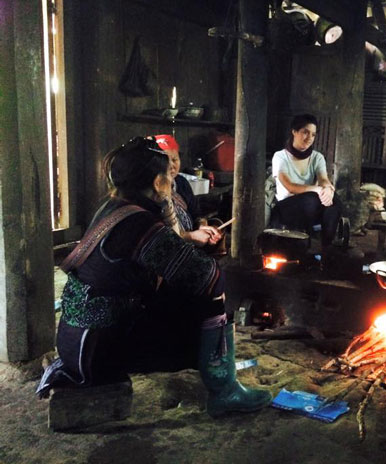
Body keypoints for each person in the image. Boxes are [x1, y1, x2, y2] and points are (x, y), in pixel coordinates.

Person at [36, 136, 271, 417]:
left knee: (183, 295)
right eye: (168, 178)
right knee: (209, 299)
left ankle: (222, 383)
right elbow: (208, 276)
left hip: (77, 341)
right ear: (158, 183)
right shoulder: (140, 224)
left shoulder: (113, 206)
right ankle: (225, 391)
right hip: (96, 351)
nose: (173, 183)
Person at [270, 114, 342, 246]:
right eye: (305, 132)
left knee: (334, 201)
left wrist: (328, 188)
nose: (309, 138)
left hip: (310, 207)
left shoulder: (317, 157)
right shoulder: (280, 157)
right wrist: (316, 189)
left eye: (313, 135)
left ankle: (327, 247)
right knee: (312, 199)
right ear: (294, 131)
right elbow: (289, 186)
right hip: (286, 208)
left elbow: (323, 178)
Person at [154, 134, 222, 248]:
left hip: (189, 249)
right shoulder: (149, 191)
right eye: (165, 160)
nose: (172, 165)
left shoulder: (181, 182)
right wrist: (191, 237)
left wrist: (202, 227)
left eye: (175, 159)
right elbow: (158, 236)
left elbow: (197, 215)